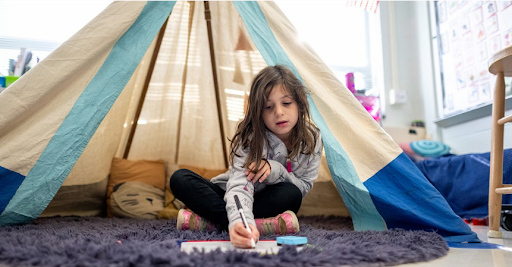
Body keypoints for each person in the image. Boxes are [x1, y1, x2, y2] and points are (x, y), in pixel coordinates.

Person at [170, 65, 323, 248]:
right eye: (268, 106)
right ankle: (252, 225)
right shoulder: (250, 137)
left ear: (300, 103)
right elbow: (238, 186)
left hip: (270, 200)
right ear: (259, 112)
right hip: (232, 195)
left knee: (292, 194)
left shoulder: (312, 138)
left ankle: (212, 222)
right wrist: (239, 222)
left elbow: (304, 185)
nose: (279, 112)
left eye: (287, 103)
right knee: (180, 179)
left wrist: (276, 170)